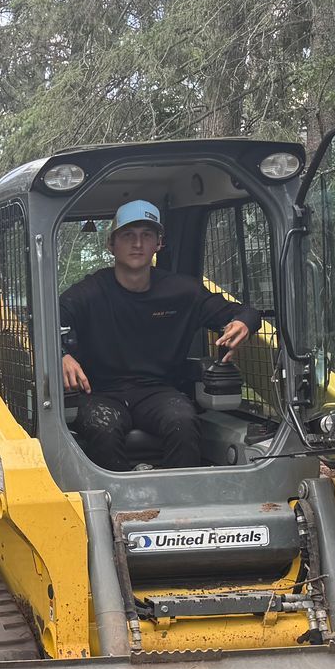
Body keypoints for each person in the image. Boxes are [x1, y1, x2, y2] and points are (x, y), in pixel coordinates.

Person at [60, 200, 258, 470]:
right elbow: (45, 320)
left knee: (184, 422)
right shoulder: (89, 292)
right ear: (111, 245)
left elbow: (244, 313)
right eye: (128, 235)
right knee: (103, 427)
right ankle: (119, 502)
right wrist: (62, 355)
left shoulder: (182, 292)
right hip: (99, 392)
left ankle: (181, 500)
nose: (138, 243)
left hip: (157, 392)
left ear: (158, 244)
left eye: (147, 235)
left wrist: (243, 323)